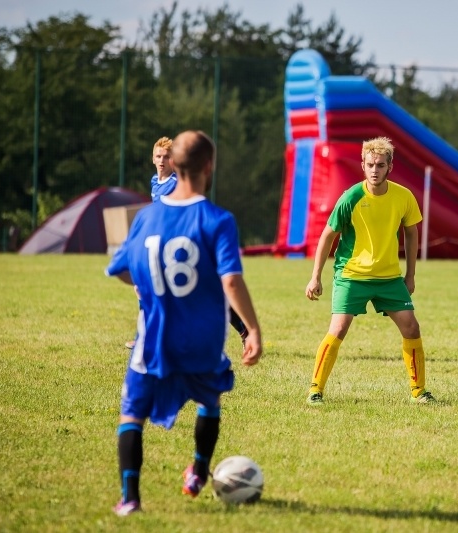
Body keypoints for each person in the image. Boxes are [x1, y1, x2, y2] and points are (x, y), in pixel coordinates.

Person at [106, 130, 263, 516]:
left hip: (153, 339)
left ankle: (130, 498)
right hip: (203, 341)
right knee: (208, 402)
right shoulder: (218, 220)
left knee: (132, 415)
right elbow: (230, 280)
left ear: (172, 165)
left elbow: (122, 270)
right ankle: (198, 472)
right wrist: (253, 328)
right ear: (209, 166)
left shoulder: (147, 217)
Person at [304, 136, 435, 405]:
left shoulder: (404, 197)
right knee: (338, 329)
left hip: (389, 278)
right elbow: (328, 236)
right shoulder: (350, 198)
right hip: (352, 275)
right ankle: (315, 389)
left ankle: (419, 392)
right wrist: (315, 276)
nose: (375, 170)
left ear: (390, 167)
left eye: (380, 165)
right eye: (370, 164)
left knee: (411, 327)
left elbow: (411, 234)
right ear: (362, 166)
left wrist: (410, 275)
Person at [123, 138, 248, 349]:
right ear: (152, 159)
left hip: (185, 248)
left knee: (209, 293)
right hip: (163, 248)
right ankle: (146, 337)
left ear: (174, 161)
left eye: (166, 157)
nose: (162, 161)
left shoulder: (177, 184)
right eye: (158, 156)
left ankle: (243, 329)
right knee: (146, 287)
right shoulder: (155, 182)